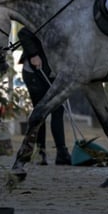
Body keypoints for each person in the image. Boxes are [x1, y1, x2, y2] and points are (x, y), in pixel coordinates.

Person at [17, 27, 72, 166]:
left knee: (58, 110)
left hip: (54, 72)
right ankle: (40, 152)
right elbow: (23, 33)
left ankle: (62, 152)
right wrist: (33, 54)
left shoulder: (66, 24)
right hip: (35, 72)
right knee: (40, 112)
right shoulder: (43, 20)